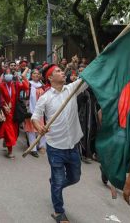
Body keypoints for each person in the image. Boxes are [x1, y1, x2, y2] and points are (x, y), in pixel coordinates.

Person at [31, 64, 88, 223]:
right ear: (50, 78)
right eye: (58, 71)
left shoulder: (72, 89)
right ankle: (58, 212)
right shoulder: (45, 97)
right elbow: (35, 117)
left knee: (75, 177)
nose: (62, 72)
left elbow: (88, 78)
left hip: (73, 145)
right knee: (57, 181)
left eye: (62, 70)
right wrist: (39, 126)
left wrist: (105, 55)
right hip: (55, 148)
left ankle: (55, 184)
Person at [0, 68, 29, 159]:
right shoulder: (1, 85)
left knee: (14, 131)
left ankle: (7, 142)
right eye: (6, 73)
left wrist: (22, 77)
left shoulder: (15, 84)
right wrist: (4, 105)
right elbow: (0, 96)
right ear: (3, 76)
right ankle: (10, 151)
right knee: (9, 130)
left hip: (14, 112)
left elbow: (26, 87)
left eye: (9, 73)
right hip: (5, 111)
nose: (8, 75)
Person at [24, 68, 46, 158]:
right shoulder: (29, 84)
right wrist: (27, 68)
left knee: (42, 128)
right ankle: (33, 149)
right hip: (31, 111)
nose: (36, 75)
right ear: (31, 75)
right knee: (31, 130)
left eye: (38, 74)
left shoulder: (42, 85)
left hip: (40, 111)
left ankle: (41, 146)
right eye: (34, 73)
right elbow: (23, 76)